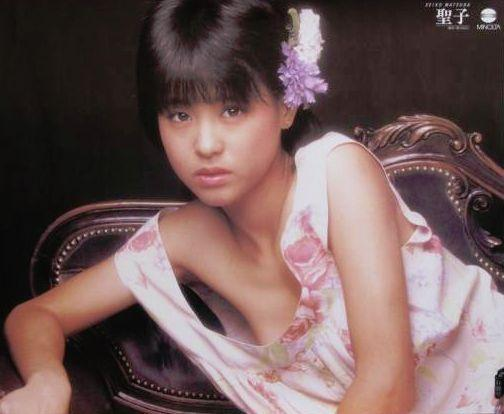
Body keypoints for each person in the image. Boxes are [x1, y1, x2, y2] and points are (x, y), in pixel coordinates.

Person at [2, 1, 504, 413]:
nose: (205, 144)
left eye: (232, 109)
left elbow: (387, 390)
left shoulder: (337, 175)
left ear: (286, 106)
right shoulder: (185, 238)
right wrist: (47, 384)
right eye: (179, 114)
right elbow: (35, 316)